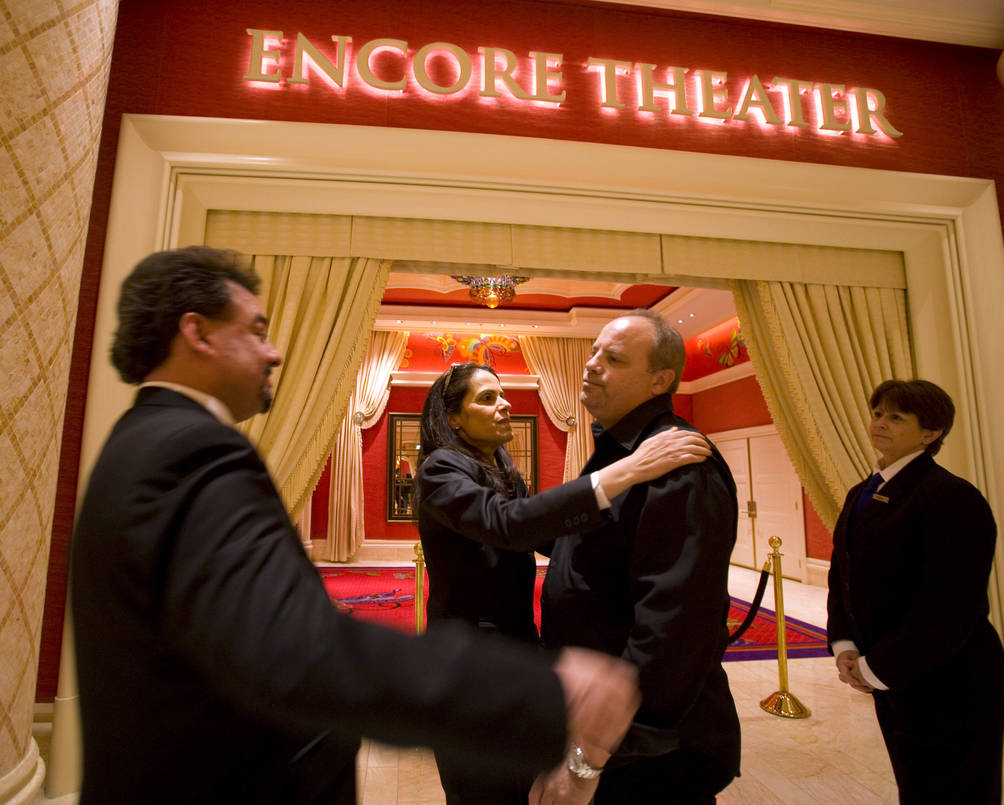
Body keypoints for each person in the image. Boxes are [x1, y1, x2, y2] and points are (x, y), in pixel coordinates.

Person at [70, 246, 642, 804]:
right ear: (198, 333)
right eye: (256, 330)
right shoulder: (190, 450)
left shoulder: (142, 439)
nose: (273, 354)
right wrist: (540, 693)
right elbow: (303, 649)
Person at [415, 361, 712, 804]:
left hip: (512, 653)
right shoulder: (440, 467)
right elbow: (508, 524)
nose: (504, 405)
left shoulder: (499, 467)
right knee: (481, 786)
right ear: (452, 418)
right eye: (487, 398)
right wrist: (625, 472)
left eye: (503, 394)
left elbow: (550, 537)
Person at [533, 309, 742, 805]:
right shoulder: (619, 451)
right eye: (593, 352)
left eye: (614, 358)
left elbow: (673, 625)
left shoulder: (676, 462)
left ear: (659, 380)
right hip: (605, 722)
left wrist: (595, 756)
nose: (591, 365)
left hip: (648, 753)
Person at [827, 379, 1004, 804]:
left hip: (954, 688)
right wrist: (845, 645)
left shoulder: (951, 497)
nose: (880, 423)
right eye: (877, 413)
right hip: (897, 683)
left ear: (930, 434)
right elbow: (843, 575)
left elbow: (953, 608)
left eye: (896, 417)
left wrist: (878, 668)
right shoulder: (863, 492)